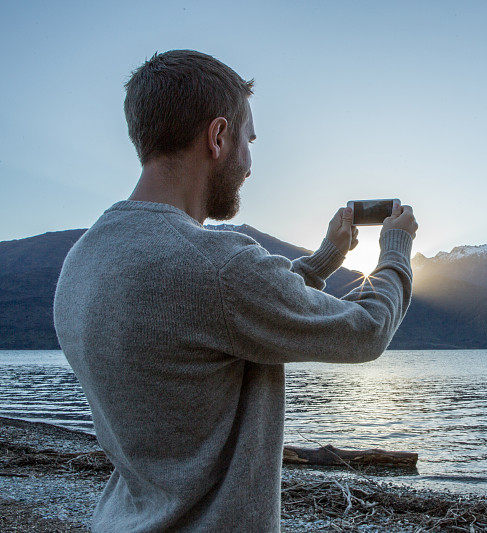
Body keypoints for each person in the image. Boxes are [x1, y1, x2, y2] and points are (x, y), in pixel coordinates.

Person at [52, 49, 417, 532]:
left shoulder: (82, 261)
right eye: (249, 139)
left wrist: (326, 258)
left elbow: (224, 314)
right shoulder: (216, 264)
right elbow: (365, 331)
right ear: (218, 136)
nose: (249, 162)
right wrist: (395, 250)